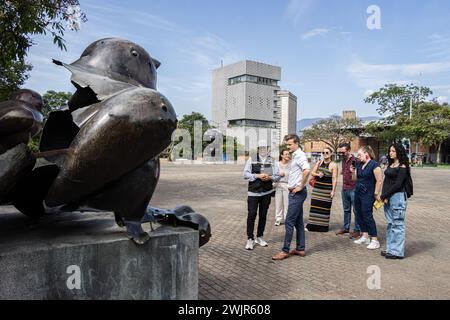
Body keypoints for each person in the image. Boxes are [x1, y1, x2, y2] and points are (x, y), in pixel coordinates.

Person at [272, 135, 311, 260]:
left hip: (297, 193)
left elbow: (307, 170)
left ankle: (285, 250)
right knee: (298, 222)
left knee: (289, 221)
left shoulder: (300, 155)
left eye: (289, 144)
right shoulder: (295, 155)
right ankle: (300, 248)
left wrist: (300, 186)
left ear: (296, 143)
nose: (288, 147)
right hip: (294, 192)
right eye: (287, 144)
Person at [243, 141, 280, 250]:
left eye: (265, 148)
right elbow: (245, 174)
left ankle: (260, 237)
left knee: (263, 215)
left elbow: (277, 176)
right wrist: (258, 176)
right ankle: (250, 238)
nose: (263, 150)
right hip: (253, 193)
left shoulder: (272, 161)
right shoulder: (252, 159)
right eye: (261, 148)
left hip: (266, 193)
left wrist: (270, 178)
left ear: (268, 149)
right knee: (252, 215)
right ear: (258, 149)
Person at [380, 143, 412, 259]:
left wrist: (385, 195)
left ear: (399, 152)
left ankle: (397, 252)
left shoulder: (402, 166)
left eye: (393, 151)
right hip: (389, 197)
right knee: (390, 224)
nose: (390, 153)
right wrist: (385, 196)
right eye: (390, 151)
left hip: (397, 197)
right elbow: (388, 182)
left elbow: (398, 184)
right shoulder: (392, 164)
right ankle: (390, 249)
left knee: (398, 224)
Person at [351, 146, 383, 250]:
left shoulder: (374, 165)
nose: (358, 157)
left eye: (359, 155)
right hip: (358, 192)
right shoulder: (359, 165)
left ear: (366, 154)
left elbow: (379, 180)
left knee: (367, 214)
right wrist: (352, 171)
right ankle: (365, 236)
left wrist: (376, 193)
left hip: (368, 193)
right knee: (358, 213)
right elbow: (355, 179)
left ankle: (374, 239)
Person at [305, 147, 338, 232]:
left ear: (331, 153)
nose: (325, 154)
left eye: (327, 152)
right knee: (315, 206)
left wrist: (333, 190)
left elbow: (334, 178)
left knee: (325, 208)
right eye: (323, 153)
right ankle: (311, 226)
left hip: (327, 190)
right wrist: (317, 174)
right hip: (317, 189)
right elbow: (312, 172)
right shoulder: (319, 162)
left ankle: (323, 227)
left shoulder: (333, 165)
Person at [336, 143, 361, 239]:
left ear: (349, 150)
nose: (341, 154)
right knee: (346, 210)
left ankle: (357, 230)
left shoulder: (356, 161)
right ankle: (346, 228)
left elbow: (359, 174)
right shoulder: (343, 160)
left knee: (356, 210)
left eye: (343, 152)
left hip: (354, 188)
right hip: (345, 188)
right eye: (340, 152)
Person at [274, 149, 291, 226]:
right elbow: (273, 174)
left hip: (287, 185)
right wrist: (278, 175)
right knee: (278, 203)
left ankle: (286, 219)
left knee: (287, 204)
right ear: (282, 155)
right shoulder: (276, 164)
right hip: (278, 184)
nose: (288, 155)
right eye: (286, 154)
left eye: (288, 154)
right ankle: (278, 219)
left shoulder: (291, 164)